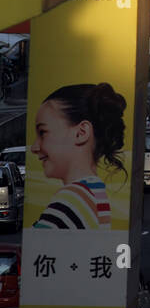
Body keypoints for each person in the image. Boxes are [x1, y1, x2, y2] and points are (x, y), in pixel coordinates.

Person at [31, 83, 126, 230]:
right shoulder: (94, 193)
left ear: (81, 133)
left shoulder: (69, 201)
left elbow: (36, 250)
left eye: (43, 132)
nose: (34, 147)